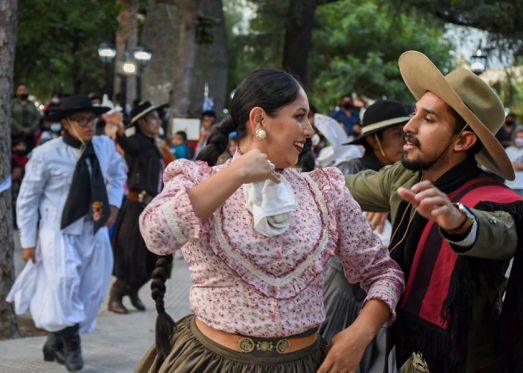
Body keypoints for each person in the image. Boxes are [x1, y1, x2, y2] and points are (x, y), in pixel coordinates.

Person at [135, 69, 404, 373]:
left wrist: (359, 334)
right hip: (211, 363)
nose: (309, 131)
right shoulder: (199, 179)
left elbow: (383, 272)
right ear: (259, 120)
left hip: (304, 364)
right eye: (300, 116)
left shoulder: (325, 191)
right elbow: (156, 234)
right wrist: (235, 174)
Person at [346, 51, 523, 372]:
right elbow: (346, 187)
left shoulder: (492, 199)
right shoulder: (406, 175)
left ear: (463, 140)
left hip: (467, 358)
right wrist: (272, 169)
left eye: (428, 119)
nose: (409, 127)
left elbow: (501, 231)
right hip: (406, 347)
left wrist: (459, 222)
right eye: (414, 114)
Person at [9, 96, 127, 371]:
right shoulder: (46, 154)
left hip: (93, 228)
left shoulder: (104, 146)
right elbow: (27, 200)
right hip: (57, 231)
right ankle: (72, 348)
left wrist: (113, 204)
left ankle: (54, 341)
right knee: (64, 283)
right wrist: (28, 241)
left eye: (92, 119)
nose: (89, 125)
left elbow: (118, 173)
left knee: (91, 289)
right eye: (81, 120)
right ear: (65, 123)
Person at [321, 100, 409, 373]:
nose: (405, 142)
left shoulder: (409, 174)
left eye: (407, 134)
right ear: (374, 140)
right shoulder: (349, 171)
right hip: (346, 287)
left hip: (390, 290)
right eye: (397, 135)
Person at [108, 101, 174, 314]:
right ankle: (116, 296)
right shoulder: (136, 141)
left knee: (154, 259)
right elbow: (127, 144)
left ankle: (133, 291)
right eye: (153, 118)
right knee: (131, 255)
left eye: (157, 117)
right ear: (142, 122)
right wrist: (119, 129)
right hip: (136, 207)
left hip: (154, 207)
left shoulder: (155, 143)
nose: (157, 121)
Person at [11, 84, 41, 150]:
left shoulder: (32, 104)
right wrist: (20, 129)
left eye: (24, 90)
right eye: (20, 90)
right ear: (16, 92)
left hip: (30, 136)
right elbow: (10, 118)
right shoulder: (12, 104)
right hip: (16, 136)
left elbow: (37, 118)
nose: (22, 92)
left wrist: (31, 129)